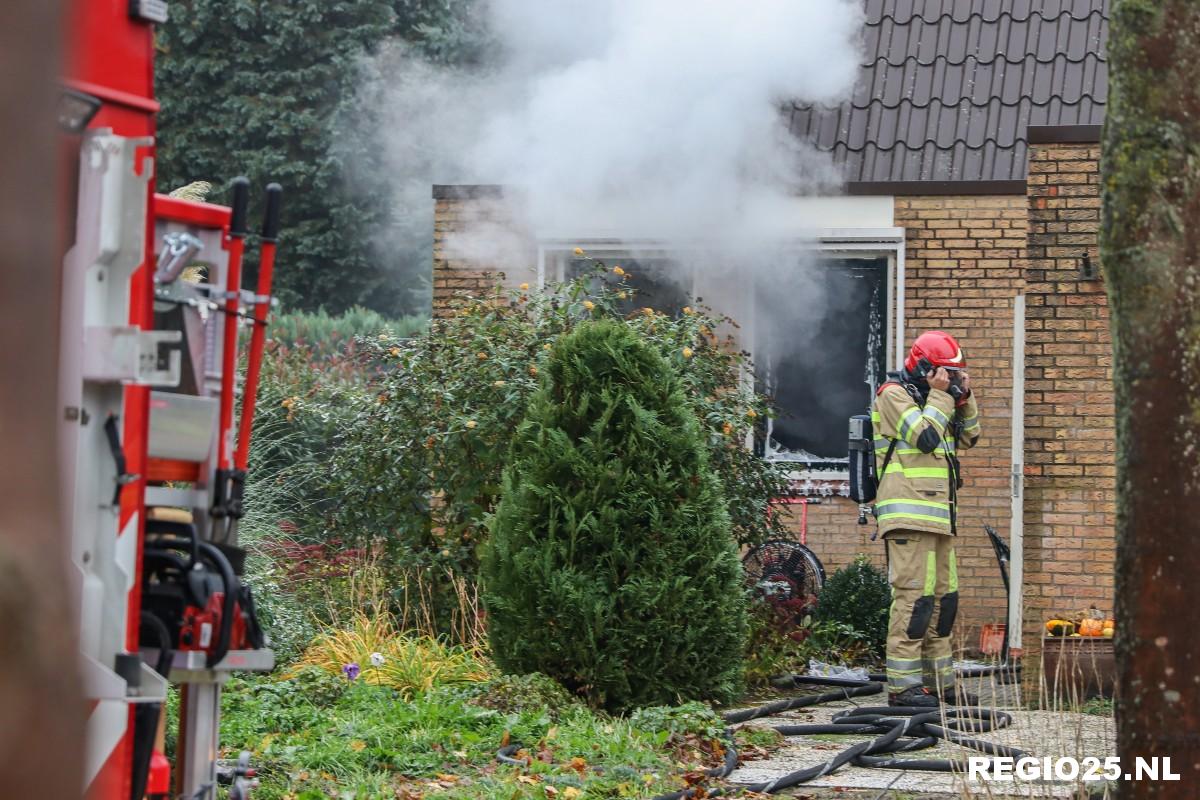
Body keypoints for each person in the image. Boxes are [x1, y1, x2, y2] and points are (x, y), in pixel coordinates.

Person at [871, 331, 981, 707]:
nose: (951, 379)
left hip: (940, 517)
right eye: (946, 373)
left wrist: (963, 399)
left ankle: (940, 684)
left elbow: (970, 438)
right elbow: (925, 437)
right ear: (924, 367)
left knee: (943, 601)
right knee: (913, 599)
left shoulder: (942, 399)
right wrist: (941, 396)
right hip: (907, 514)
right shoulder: (893, 394)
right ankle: (903, 688)